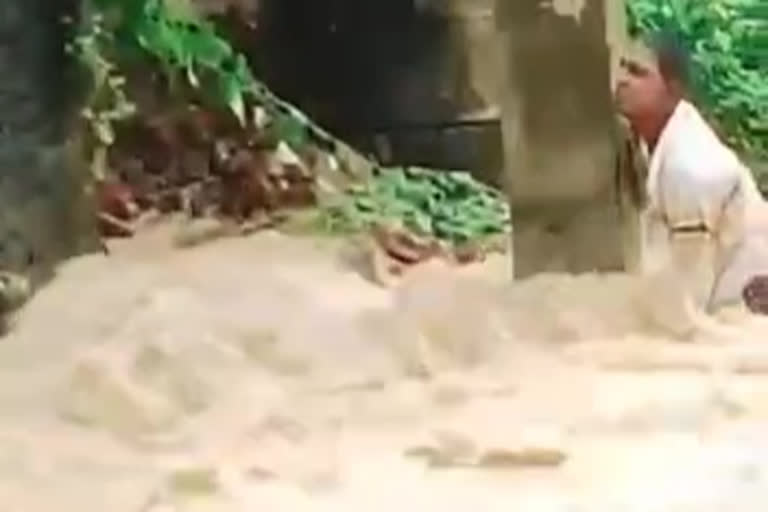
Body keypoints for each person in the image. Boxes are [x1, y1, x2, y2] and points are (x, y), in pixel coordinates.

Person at [614, 32, 768, 338]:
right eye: (622, 68)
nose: (622, 80)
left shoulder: (690, 167)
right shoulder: (651, 145)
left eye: (638, 73)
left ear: (673, 90)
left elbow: (689, 301)